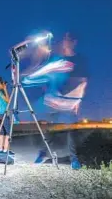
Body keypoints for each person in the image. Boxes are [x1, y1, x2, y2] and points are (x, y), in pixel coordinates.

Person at [34, 33, 88, 170]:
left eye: (69, 39)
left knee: (70, 131)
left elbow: (83, 81)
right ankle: (42, 153)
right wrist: (47, 90)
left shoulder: (79, 60)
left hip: (69, 101)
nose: (66, 41)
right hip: (53, 101)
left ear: (74, 42)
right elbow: (47, 76)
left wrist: (78, 100)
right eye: (64, 38)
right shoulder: (56, 58)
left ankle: (73, 159)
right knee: (49, 129)